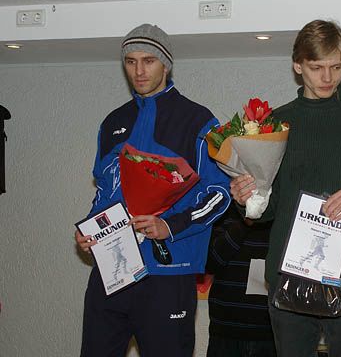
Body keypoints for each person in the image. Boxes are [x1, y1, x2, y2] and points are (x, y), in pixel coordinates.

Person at [231, 19, 341, 357]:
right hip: (287, 275)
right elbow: (265, 211)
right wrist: (246, 199)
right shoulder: (275, 125)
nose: (328, 77)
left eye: (336, 67)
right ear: (298, 66)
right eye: (317, 68)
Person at [74, 23, 231, 357]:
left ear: (166, 64)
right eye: (130, 61)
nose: (139, 71)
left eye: (148, 61)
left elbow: (220, 194)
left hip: (168, 274)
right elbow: (105, 191)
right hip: (112, 270)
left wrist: (169, 226)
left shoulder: (198, 120)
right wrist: (91, 229)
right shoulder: (113, 122)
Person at [204, 205, 276, 357]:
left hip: (270, 333)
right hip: (225, 330)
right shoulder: (224, 209)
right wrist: (245, 222)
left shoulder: (283, 214)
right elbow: (210, 263)